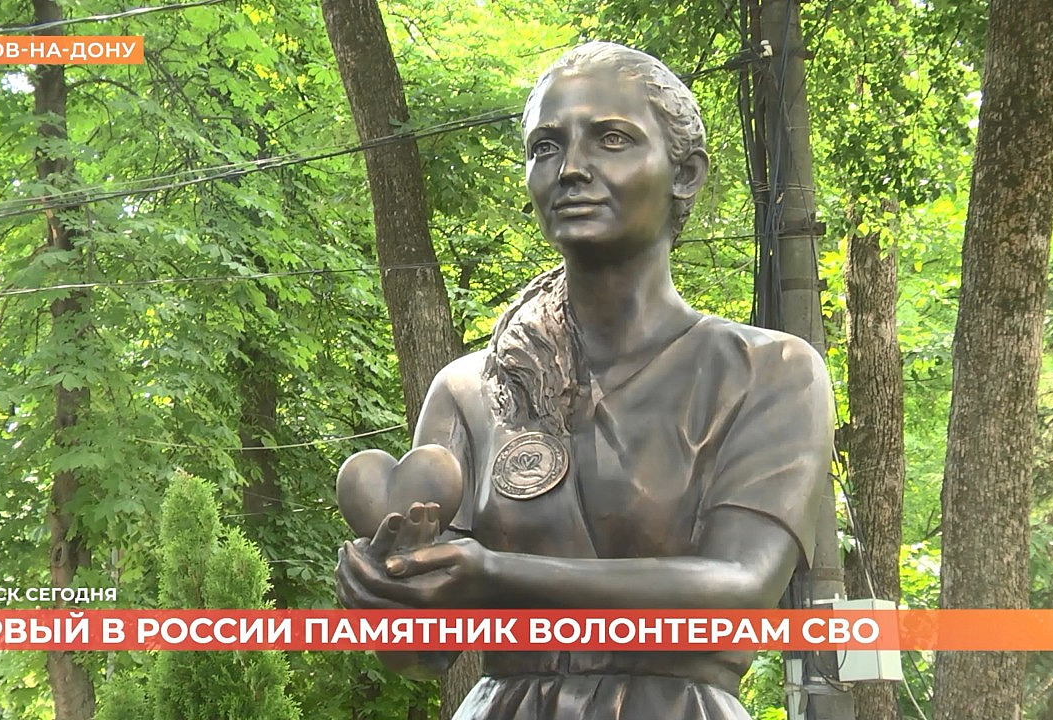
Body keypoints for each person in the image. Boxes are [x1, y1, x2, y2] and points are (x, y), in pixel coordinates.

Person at [335, 41, 834, 720]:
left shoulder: (767, 371)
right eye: (546, 147)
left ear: (685, 172)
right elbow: (423, 656)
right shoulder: (469, 391)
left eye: (612, 139)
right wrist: (385, 593)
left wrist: (495, 573)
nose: (571, 168)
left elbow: (741, 587)